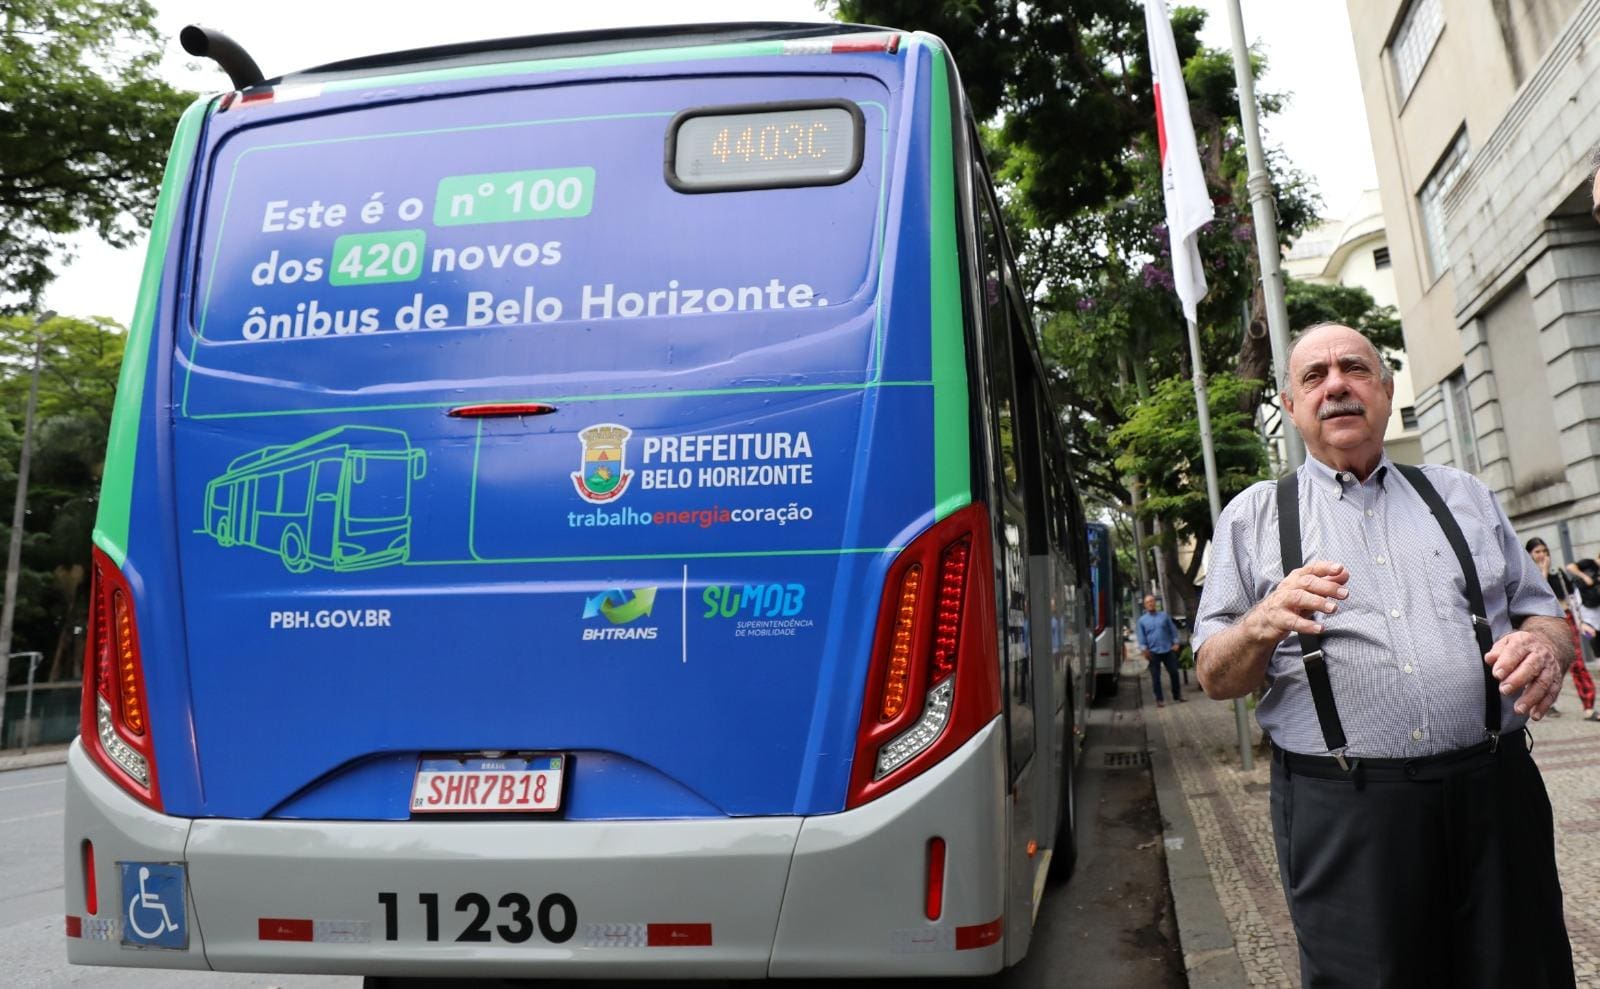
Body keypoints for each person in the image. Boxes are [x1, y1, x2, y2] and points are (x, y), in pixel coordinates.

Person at [1192, 322, 1574, 987]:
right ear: (1289, 405)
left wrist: (1546, 645)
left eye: (1355, 368)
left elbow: (1545, 612)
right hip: (1346, 811)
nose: (1336, 385)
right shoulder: (1253, 518)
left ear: (1387, 389)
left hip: (1495, 794)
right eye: (1314, 376)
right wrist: (1260, 623)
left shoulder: (1464, 496)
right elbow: (1213, 672)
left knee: (1525, 970)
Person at [1528, 536, 1596, 720]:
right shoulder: (1528, 578)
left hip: (1567, 621)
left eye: (1544, 551)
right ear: (1529, 555)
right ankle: (1548, 705)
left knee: (1578, 663)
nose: (1542, 555)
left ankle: (1589, 707)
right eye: (1537, 552)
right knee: (1547, 665)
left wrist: (1581, 622)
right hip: (1543, 625)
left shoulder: (1558, 574)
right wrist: (1541, 572)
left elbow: (1572, 599)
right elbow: (1539, 597)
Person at [1135, 594, 1184, 708]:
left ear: (1155, 603)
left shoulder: (1164, 616)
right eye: (1148, 602)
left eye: (1152, 601)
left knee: (1174, 673)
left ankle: (1177, 695)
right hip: (1152, 652)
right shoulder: (1142, 621)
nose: (1150, 604)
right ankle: (1159, 699)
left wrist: (1176, 642)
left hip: (1168, 649)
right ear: (1145, 605)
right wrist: (1144, 649)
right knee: (1155, 677)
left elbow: (1173, 630)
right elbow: (1141, 637)